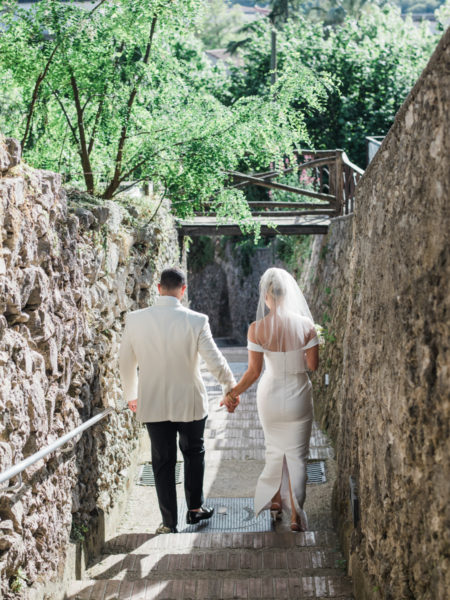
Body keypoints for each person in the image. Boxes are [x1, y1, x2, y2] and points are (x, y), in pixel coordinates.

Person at [119, 267, 237, 534]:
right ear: (183, 291)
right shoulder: (196, 321)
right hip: (190, 402)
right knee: (194, 452)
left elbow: (125, 363)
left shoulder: (136, 320)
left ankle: (168, 522)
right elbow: (215, 360)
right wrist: (230, 388)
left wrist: (131, 395)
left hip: (153, 402)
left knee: (162, 461)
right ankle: (194, 509)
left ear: (159, 288)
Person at [222, 267, 319, 531]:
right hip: (299, 394)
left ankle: (275, 501)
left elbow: (253, 372)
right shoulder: (307, 325)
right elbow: (312, 366)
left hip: (270, 396)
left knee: (275, 451)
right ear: (289, 294)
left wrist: (232, 393)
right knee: (298, 455)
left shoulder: (257, 329)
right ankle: (296, 515)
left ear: (266, 295)